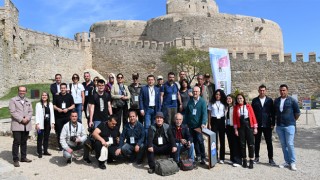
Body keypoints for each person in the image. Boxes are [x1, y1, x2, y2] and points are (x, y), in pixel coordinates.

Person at [274, 84, 300, 171]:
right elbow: (274, 113)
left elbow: (297, 113)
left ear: (287, 91)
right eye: (281, 90)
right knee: (283, 144)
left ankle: (292, 162)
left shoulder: (292, 100)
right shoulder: (276, 101)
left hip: (289, 125)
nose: (282, 92)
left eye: (284, 90)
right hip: (280, 126)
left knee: (290, 143)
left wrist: (291, 120)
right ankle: (287, 161)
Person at [251, 84, 276, 165]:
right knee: (257, 142)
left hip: (267, 124)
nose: (262, 92)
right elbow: (252, 114)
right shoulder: (254, 100)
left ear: (265, 91)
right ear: (258, 91)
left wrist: (273, 123)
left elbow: (273, 113)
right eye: (260, 90)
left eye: (263, 90)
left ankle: (271, 159)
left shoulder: (269, 100)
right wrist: (252, 124)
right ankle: (257, 157)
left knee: (269, 142)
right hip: (257, 125)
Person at [9, 86, 33, 167]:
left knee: (24, 142)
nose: (22, 92)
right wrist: (21, 119)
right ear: (18, 91)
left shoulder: (28, 101)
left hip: (26, 124)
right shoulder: (13, 100)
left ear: (26, 92)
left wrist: (27, 118)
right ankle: (15, 159)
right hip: (17, 124)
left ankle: (23, 157)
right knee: (17, 142)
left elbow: (31, 111)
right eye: (20, 91)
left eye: (23, 91)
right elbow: (12, 112)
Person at [233, 94, 258, 169]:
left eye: (241, 98)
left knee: (251, 144)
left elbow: (253, 116)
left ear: (243, 99)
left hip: (249, 126)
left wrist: (255, 127)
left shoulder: (248, 106)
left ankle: (251, 160)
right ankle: (244, 159)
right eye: (238, 98)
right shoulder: (236, 108)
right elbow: (234, 119)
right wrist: (236, 129)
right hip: (241, 126)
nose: (239, 100)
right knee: (242, 144)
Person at [185, 86, 208, 164]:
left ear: (199, 92)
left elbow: (204, 113)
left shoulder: (202, 102)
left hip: (199, 125)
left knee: (200, 140)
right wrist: (186, 123)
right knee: (194, 141)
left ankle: (203, 157)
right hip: (191, 125)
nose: (195, 93)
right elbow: (187, 113)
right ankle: (197, 155)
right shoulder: (190, 101)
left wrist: (203, 123)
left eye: (196, 91)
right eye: (194, 91)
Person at [53, 83, 75, 150]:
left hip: (67, 116)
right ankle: (61, 146)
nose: (63, 89)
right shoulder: (56, 96)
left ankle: (68, 145)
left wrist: (67, 109)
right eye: (61, 88)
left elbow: (73, 105)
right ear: (60, 88)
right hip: (59, 117)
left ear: (66, 88)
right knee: (59, 132)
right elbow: (53, 105)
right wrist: (58, 109)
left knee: (68, 131)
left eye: (64, 88)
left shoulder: (69, 96)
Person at [207, 89, 227, 164]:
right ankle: (214, 156)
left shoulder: (223, 102)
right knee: (214, 140)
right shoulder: (211, 102)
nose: (217, 96)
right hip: (214, 121)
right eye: (216, 94)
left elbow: (225, 113)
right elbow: (209, 113)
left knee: (222, 140)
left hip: (221, 121)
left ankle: (222, 157)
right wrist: (209, 123)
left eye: (219, 94)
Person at [35, 92, 55, 158]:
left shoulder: (50, 104)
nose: (44, 96)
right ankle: (39, 151)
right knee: (40, 137)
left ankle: (45, 150)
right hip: (40, 124)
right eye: (43, 95)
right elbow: (37, 115)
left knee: (46, 137)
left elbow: (52, 114)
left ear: (47, 96)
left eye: (45, 95)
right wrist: (37, 123)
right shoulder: (38, 104)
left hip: (47, 124)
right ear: (41, 96)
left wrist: (52, 123)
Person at [225, 95, 242, 167]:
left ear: (232, 99)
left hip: (234, 127)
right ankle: (232, 158)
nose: (228, 100)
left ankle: (238, 160)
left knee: (235, 143)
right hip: (228, 127)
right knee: (230, 143)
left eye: (230, 98)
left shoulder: (235, 107)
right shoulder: (226, 108)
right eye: (227, 99)